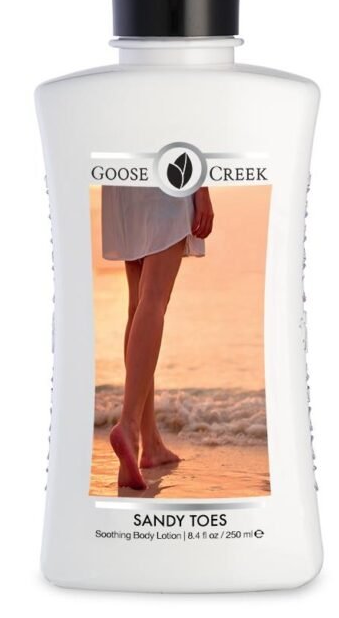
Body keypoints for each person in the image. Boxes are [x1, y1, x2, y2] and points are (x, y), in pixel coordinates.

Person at [101, 185, 214, 489]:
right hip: (168, 174)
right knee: (154, 298)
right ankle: (129, 426)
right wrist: (202, 189)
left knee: (138, 304)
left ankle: (150, 443)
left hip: (123, 179)